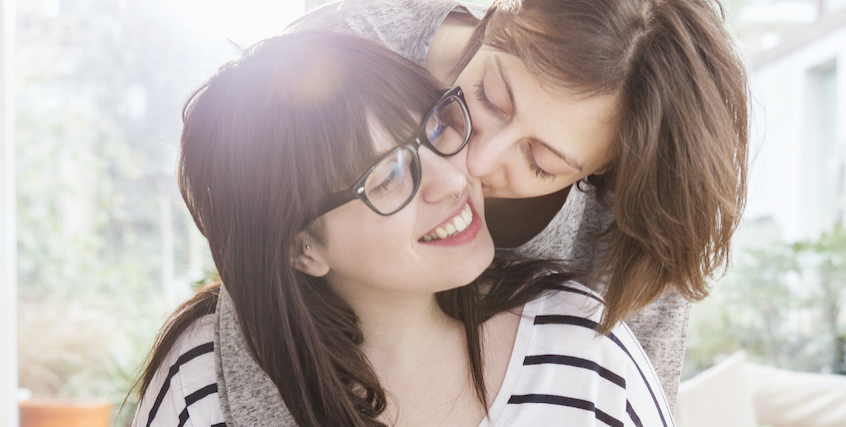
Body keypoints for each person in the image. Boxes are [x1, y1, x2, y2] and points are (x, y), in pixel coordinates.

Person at [131, 31, 673, 427]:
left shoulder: (585, 351)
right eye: (388, 176)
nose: (455, 176)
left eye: (435, 127)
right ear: (301, 247)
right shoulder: (201, 383)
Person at [285, 0, 751, 405]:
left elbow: (638, 398)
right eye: (489, 97)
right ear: (492, 18)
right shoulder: (342, 55)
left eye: (541, 162)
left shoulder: (643, 217)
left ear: (606, 171)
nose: (477, 161)